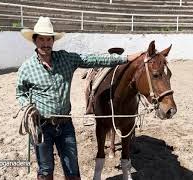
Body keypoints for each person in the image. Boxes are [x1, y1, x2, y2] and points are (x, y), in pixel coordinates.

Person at [16, 16, 142, 180]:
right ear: (35, 41)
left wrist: (126, 58)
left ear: (53, 41)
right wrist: (27, 106)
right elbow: (21, 93)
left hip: (65, 125)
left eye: (49, 39)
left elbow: (94, 59)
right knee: (45, 171)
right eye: (41, 39)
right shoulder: (26, 68)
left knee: (73, 172)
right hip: (41, 126)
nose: (45, 44)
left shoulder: (66, 59)